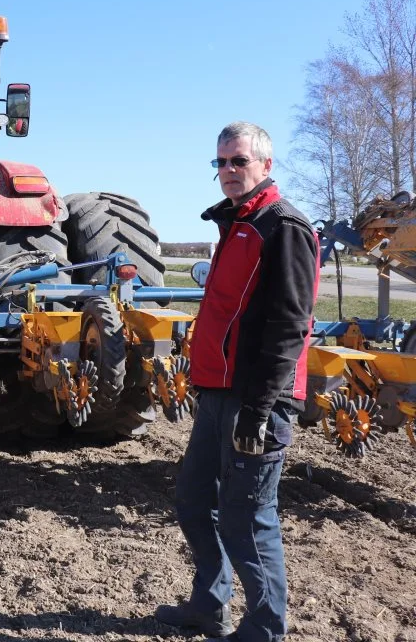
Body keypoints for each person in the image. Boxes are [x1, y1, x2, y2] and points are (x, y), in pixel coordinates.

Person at [154, 122, 319, 641]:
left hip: (257, 401)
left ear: (265, 166)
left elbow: (291, 325)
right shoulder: (237, 224)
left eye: (238, 161)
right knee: (193, 500)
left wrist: (258, 408)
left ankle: (266, 629)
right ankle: (209, 606)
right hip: (218, 393)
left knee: (247, 519)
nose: (227, 171)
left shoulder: (284, 227)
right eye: (220, 163)